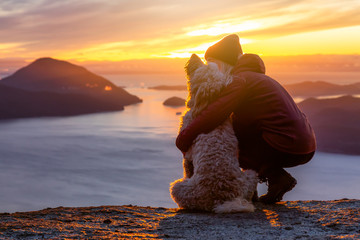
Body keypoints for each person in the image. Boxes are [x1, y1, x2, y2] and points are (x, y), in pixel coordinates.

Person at [176, 34, 316, 204]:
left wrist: (184, 137)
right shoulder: (256, 78)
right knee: (240, 133)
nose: (211, 69)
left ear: (225, 63)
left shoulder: (240, 80)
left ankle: (265, 184)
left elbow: (214, 113)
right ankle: (270, 183)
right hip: (304, 144)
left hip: (284, 143)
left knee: (228, 146)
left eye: (213, 64)